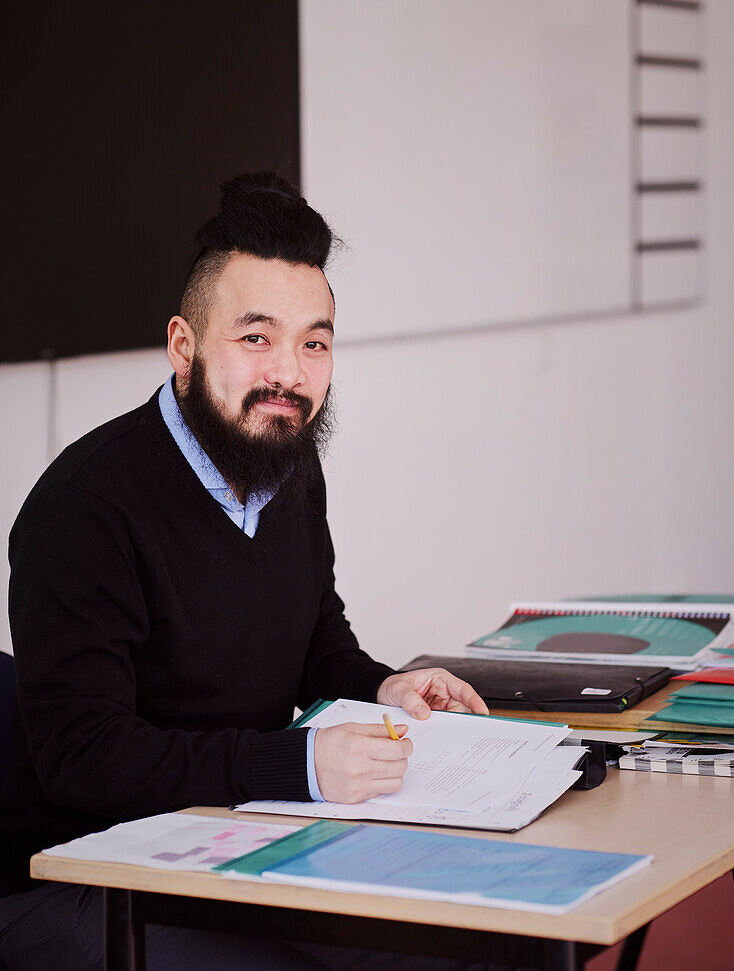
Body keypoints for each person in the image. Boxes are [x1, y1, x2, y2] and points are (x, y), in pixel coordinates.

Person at [0, 173, 506, 970]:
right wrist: (299, 765)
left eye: (315, 341)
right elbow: (84, 760)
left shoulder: (287, 468)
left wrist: (381, 688)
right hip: (83, 876)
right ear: (184, 346)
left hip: (238, 844)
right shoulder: (86, 505)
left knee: (474, 939)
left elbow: (313, 643)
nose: (290, 373)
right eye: (255, 337)